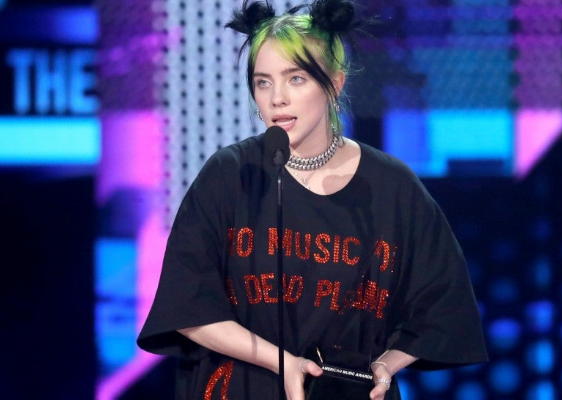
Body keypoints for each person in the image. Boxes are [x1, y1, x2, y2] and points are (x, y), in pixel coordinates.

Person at [137, 0, 488, 399]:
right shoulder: (231, 175)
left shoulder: (391, 187)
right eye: (263, 82)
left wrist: (386, 365)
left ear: (334, 84)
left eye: (296, 79)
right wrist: (282, 362)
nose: (277, 98)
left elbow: (443, 305)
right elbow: (186, 304)